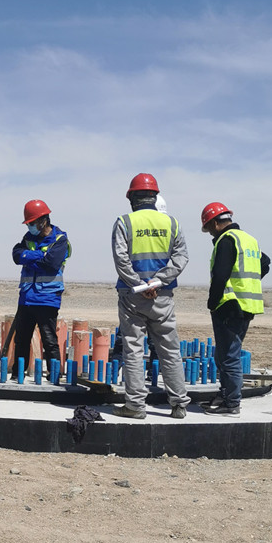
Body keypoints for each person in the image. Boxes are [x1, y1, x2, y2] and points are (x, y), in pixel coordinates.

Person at [111, 173, 191, 420]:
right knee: (170, 350)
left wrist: (139, 285)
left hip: (132, 297)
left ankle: (135, 406)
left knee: (133, 350)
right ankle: (179, 405)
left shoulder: (124, 222)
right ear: (155, 197)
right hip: (162, 296)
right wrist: (158, 282)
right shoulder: (172, 223)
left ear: (132, 198)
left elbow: (121, 259)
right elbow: (181, 257)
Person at [201, 202, 270, 416]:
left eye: (209, 228)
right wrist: (248, 284)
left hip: (229, 306)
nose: (210, 232)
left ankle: (231, 404)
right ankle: (225, 395)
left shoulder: (227, 240)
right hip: (246, 306)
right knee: (226, 355)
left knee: (229, 357)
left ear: (215, 223)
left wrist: (213, 302)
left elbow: (220, 275)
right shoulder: (248, 240)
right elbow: (265, 262)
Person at [11, 199, 71, 375]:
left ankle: (55, 375)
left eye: (32, 223)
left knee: (49, 340)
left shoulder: (60, 240)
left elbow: (51, 264)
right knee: (21, 339)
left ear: (43, 221)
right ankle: (17, 374)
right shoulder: (28, 238)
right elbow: (16, 255)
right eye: (28, 223)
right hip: (26, 297)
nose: (29, 226)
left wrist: (29, 257)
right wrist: (39, 256)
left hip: (47, 297)